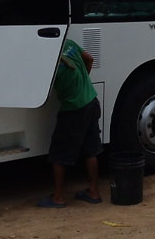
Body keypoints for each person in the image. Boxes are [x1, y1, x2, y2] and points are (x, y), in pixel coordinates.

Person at [38, 39, 103, 208]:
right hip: (91, 100)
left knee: (59, 153)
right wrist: (84, 82)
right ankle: (94, 192)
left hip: (73, 109)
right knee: (90, 150)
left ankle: (58, 197)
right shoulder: (67, 43)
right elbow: (89, 58)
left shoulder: (50, 64)